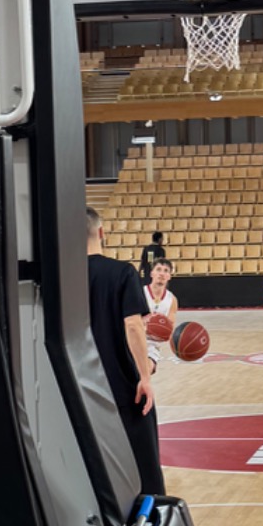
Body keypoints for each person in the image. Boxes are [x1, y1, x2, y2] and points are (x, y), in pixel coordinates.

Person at [86, 206, 164, 495]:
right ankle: (150, 513)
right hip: (119, 382)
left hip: (76, 382)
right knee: (144, 467)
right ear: (101, 232)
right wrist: (145, 376)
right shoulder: (121, 272)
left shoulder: (60, 277)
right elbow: (133, 325)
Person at [143, 257, 179, 370]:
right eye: (158, 269)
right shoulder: (140, 293)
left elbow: (169, 329)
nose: (162, 273)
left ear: (169, 276)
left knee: (147, 369)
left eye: (166, 270)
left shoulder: (172, 300)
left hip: (152, 345)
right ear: (152, 273)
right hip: (134, 339)